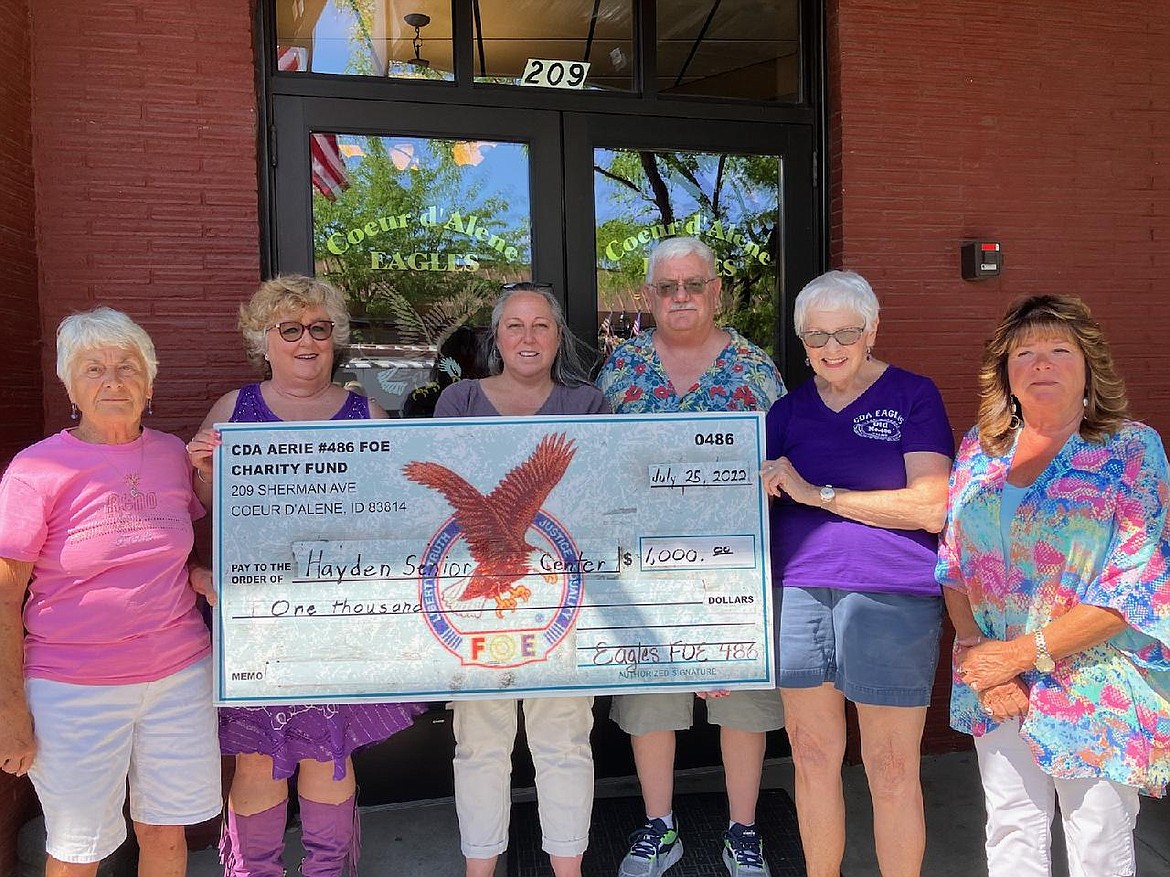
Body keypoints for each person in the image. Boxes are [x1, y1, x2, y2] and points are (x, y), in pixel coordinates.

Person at [186, 275, 425, 877]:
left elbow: (388, 514)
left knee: (329, 753)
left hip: (334, 618)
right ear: (264, 342)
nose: (306, 341)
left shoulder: (363, 411)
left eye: (319, 328)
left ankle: (327, 870)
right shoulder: (232, 410)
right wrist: (202, 471)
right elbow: (211, 507)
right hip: (257, 620)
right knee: (257, 759)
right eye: (289, 330)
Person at [938, 294, 1170, 876]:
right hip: (996, 680)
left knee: (1098, 841)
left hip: (1097, 680)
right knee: (1011, 829)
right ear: (1006, 375)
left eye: (1059, 350)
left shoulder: (1130, 449)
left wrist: (1013, 657)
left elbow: (1134, 587)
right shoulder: (979, 449)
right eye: (1025, 353)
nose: (1041, 363)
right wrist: (977, 655)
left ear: (1090, 366)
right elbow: (954, 563)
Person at [0, 307, 221, 877]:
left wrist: (199, 575)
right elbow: (4, 596)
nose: (113, 380)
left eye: (128, 366)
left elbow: (169, 549)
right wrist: (8, 707)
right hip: (72, 688)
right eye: (93, 367)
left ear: (149, 382)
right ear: (69, 384)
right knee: (78, 849)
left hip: (178, 677)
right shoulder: (37, 469)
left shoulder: (173, 454)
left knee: (167, 834)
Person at [596, 237, 786, 877]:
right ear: (649, 297)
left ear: (716, 291)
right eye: (667, 287)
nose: (681, 297)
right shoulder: (619, 372)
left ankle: (743, 828)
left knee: (741, 703)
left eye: (694, 285)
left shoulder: (755, 371)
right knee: (652, 702)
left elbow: (782, 467)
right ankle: (660, 825)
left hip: (734, 566)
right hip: (645, 570)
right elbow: (595, 469)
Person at [759, 270, 953, 877]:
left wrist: (818, 495)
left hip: (893, 595)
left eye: (846, 331)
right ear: (801, 338)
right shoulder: (785, 411)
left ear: (872, 330)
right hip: (799, 594)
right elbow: (752, 507)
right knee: (811, 755)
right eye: (817, 335)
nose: (831, 347)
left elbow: (930, 505)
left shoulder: (913, 395)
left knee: (891, 766)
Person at [431, 282, 608, 877]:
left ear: (559, 337)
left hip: (562, 605)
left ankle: (568, 869)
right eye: (514, 325)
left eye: (541, 326)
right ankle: (479, 869)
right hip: (475, 612)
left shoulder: (587, 405)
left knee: (563, 743)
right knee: (480, 744)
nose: (528, 338)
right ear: (496, 336)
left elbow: (602, 500)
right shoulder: (459, 400)